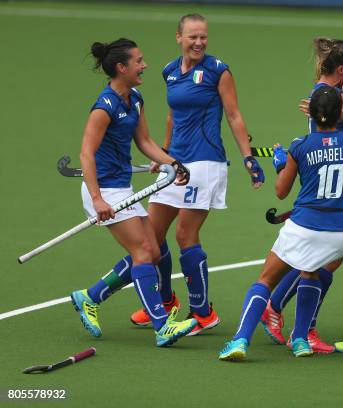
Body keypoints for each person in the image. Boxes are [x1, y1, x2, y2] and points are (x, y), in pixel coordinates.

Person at [70, 13, 264, 337]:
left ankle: (202, 313)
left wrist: (247, 157)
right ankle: (154, 303)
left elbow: (234, 115)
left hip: (204, 163)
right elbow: (171, 119)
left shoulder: (217, 70)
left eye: (203, 36)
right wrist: (167, 156)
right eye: (192, 37)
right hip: (177, 164)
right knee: (151, 243)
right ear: (179, 38)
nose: (199, 42)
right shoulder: (169, 73)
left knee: (183, 236)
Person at [219, 85, 343, 361]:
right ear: (341, 115)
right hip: (342, 233)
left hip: (305, 227)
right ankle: (300, 339)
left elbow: (281, 192)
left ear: (312, 113)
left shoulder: (300, 146)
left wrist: (280, 163)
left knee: (265, 280)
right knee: (310, 272)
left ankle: (240, 340)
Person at [260, 38, 343, 353]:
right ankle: (291, 318)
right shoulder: (329, 94)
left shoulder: (333, 92)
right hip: (331, 183)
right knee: (328, 260)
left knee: (330, 259)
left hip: (338, 180)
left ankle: (289, 317)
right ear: (341, 68)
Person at [70, 38, 197, 347]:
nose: (145, 65)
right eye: (139, 61)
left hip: (121, 186)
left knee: (153, 252)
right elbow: (86, 154)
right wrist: (98, 199)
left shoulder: (135, 98)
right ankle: (162, 327)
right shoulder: (104, 107)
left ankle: (90, 296)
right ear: (121, 67)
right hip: (103, 190)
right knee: (142, 253)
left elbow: (145, 142)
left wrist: (172, 162)